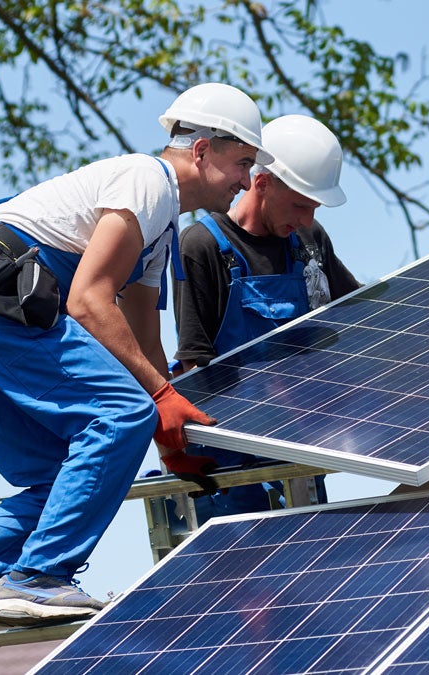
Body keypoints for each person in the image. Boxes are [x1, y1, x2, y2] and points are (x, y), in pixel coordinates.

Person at [0, 82, 272, 633]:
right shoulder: (147, 182)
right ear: (203, 150)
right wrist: (155, 401)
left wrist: (167, 426)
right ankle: (38, 577)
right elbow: (89, 300)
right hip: (2, 312)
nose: (244, 179)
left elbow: (140, 332)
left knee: (62, 479)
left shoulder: (158, 229)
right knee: (118, 418)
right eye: (242, 162)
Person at [172, 114, 359, 522]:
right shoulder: (202, 245)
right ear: (262, 183)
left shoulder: (310, 241)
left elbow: (360, 317)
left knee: (313, 560)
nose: (307, 220)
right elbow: (193, 365)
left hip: (299, 443)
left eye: (314, 208)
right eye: (299, 205)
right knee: (248, 576)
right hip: (231, 463)